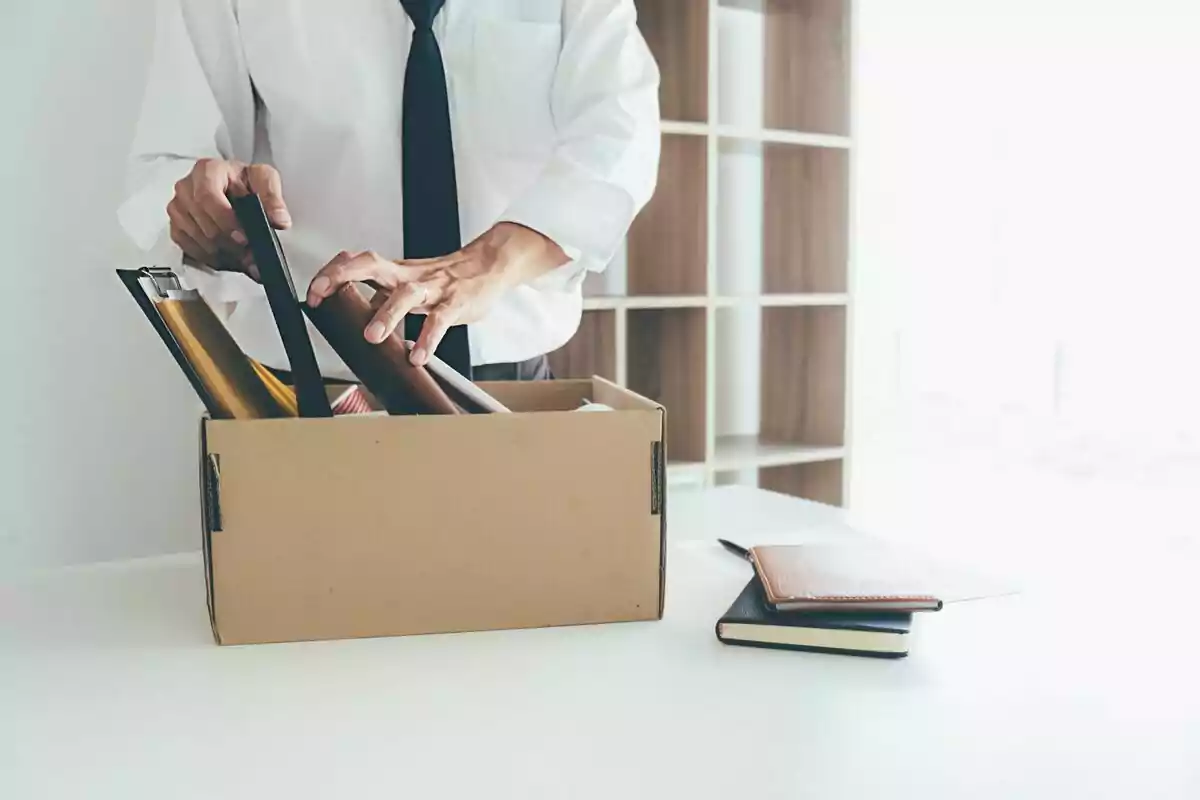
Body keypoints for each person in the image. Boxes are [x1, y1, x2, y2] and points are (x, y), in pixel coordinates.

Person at [119, 0, 660, 381]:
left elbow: (620, 138)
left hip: (512, 388)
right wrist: (207, 207)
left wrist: (484, 263)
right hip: (310, 394)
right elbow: (171, 163)